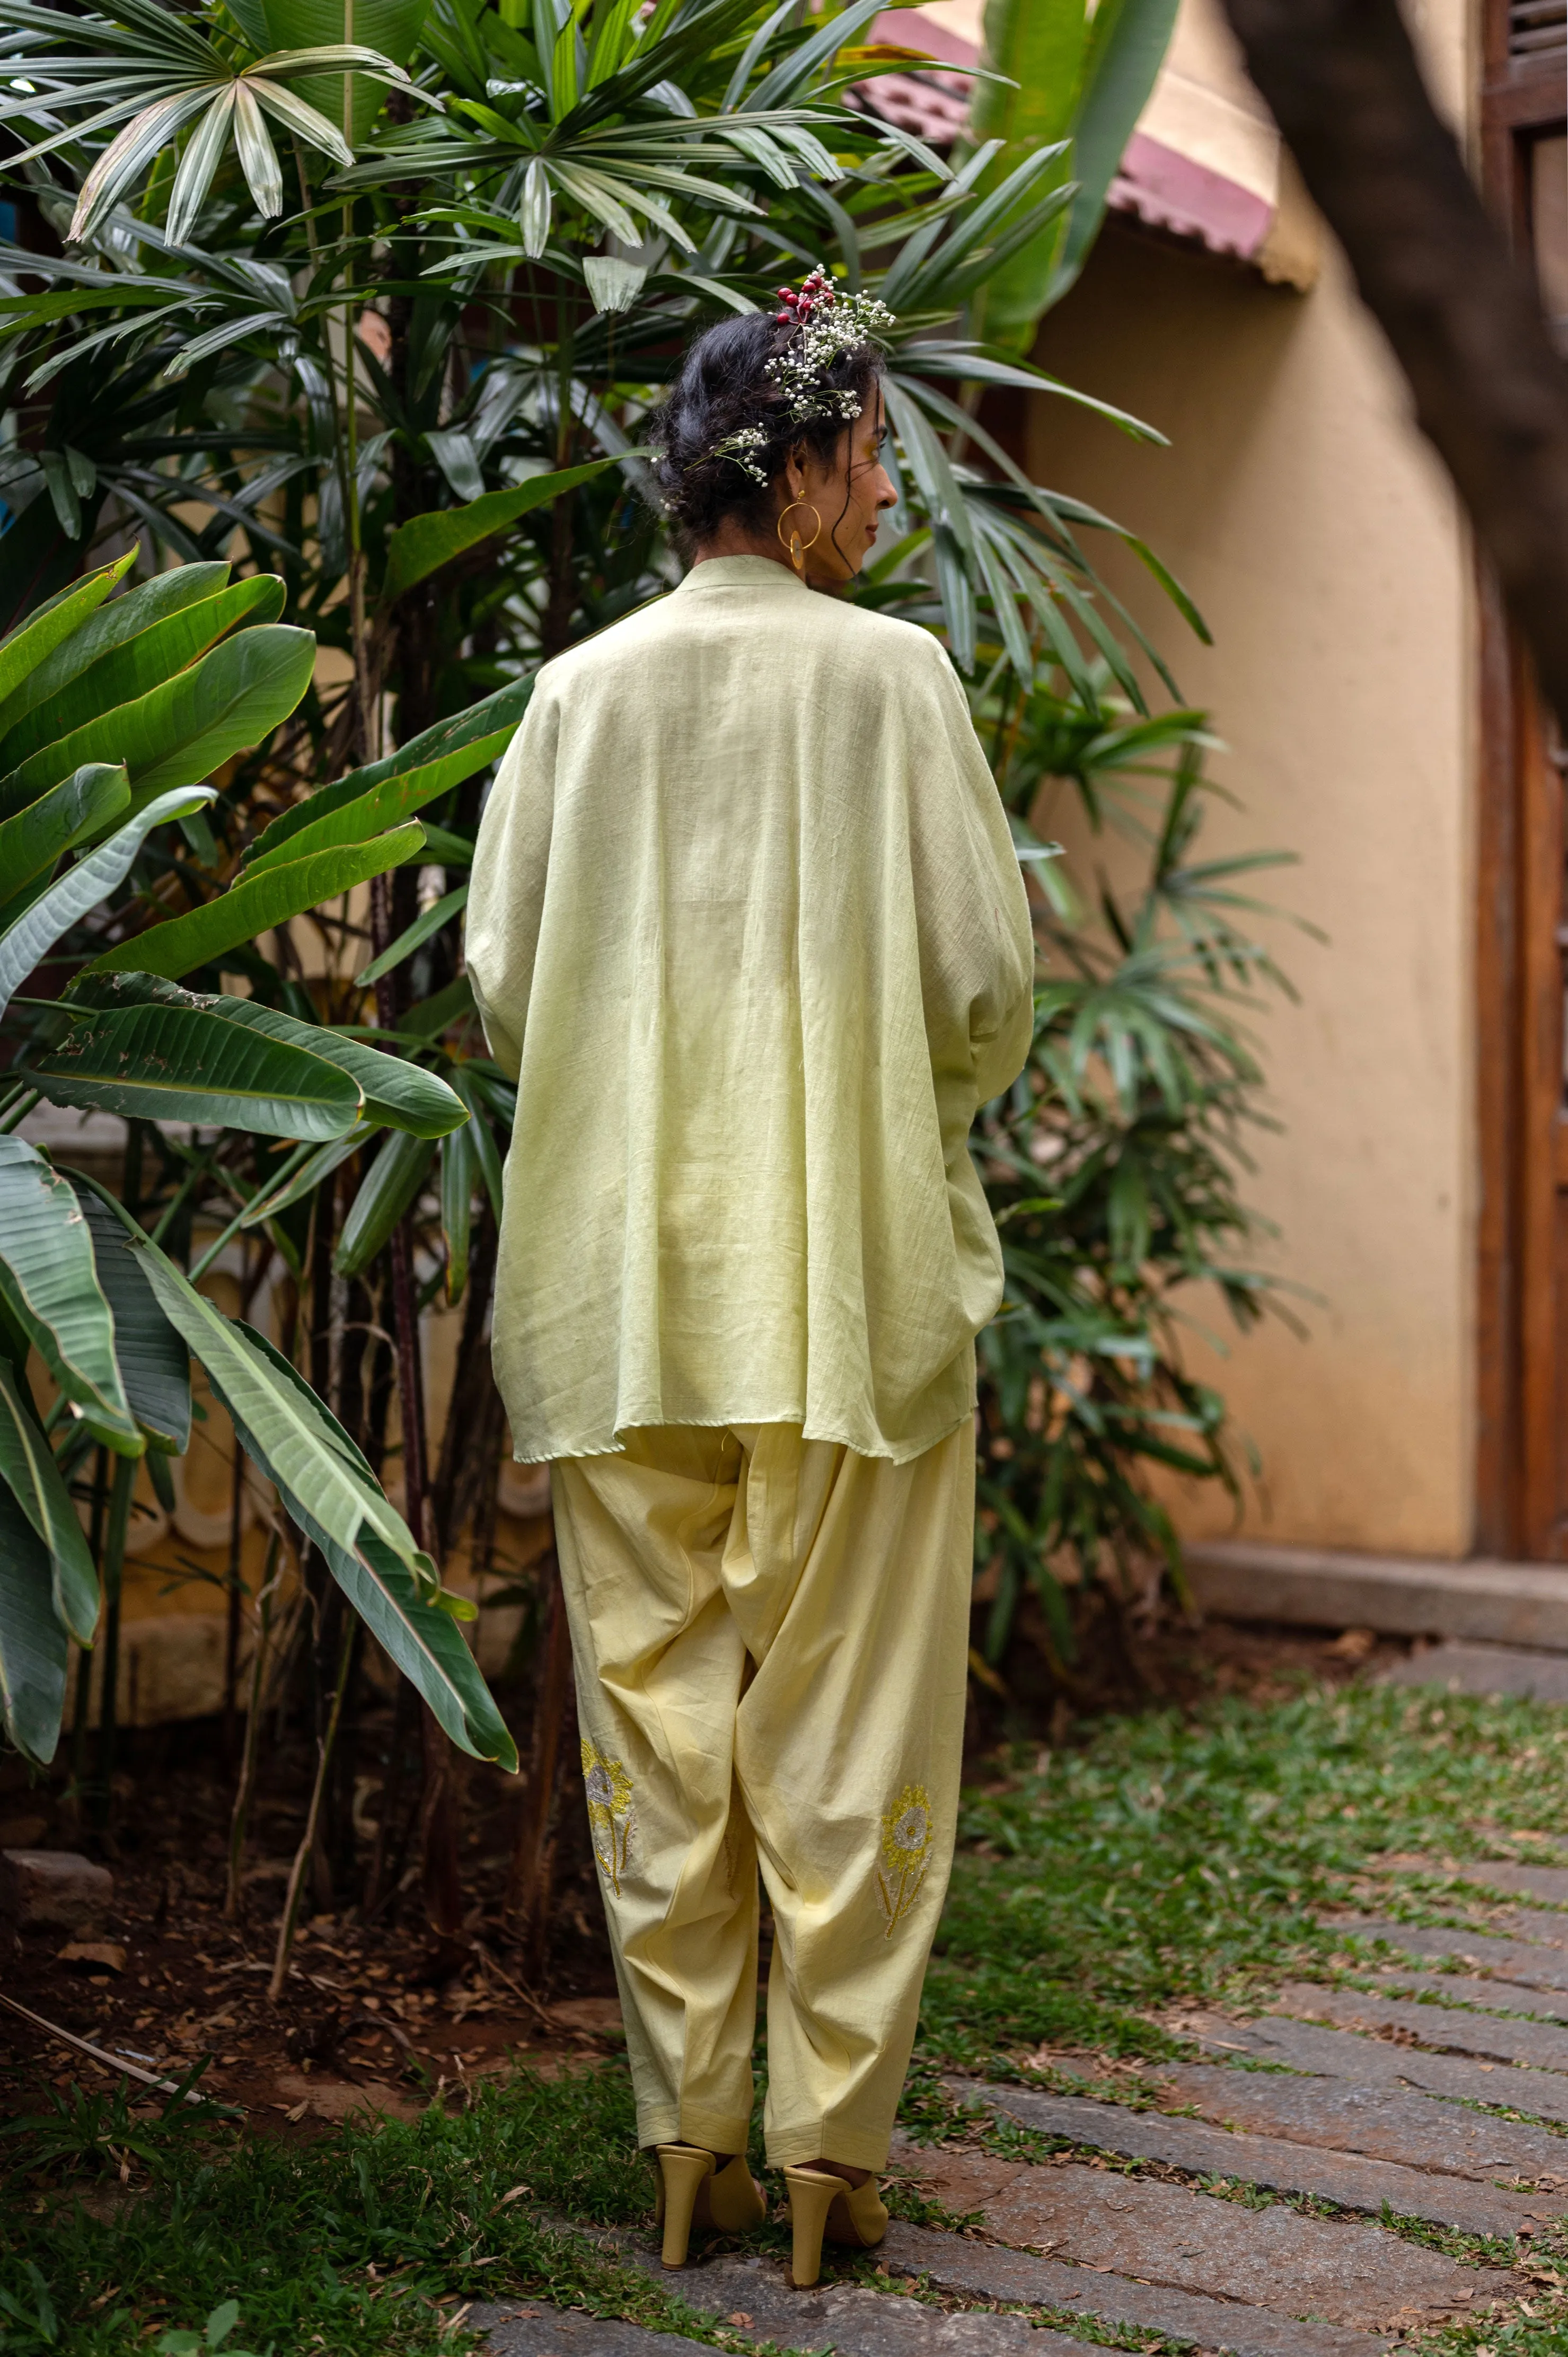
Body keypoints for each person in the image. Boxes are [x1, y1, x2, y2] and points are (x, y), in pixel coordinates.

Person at [465, 271, 1035, 2290]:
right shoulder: (892, 683)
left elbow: (509, 991)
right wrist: (900, 1086)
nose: (882, 492)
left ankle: (692, 2136)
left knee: (659, 1719)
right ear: (789, 467)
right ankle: (829, 2158)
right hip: (849, 1276)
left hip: (622, 1288)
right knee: (850, 1727)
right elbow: (980, 988)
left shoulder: (579, 695)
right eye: (867, 453)